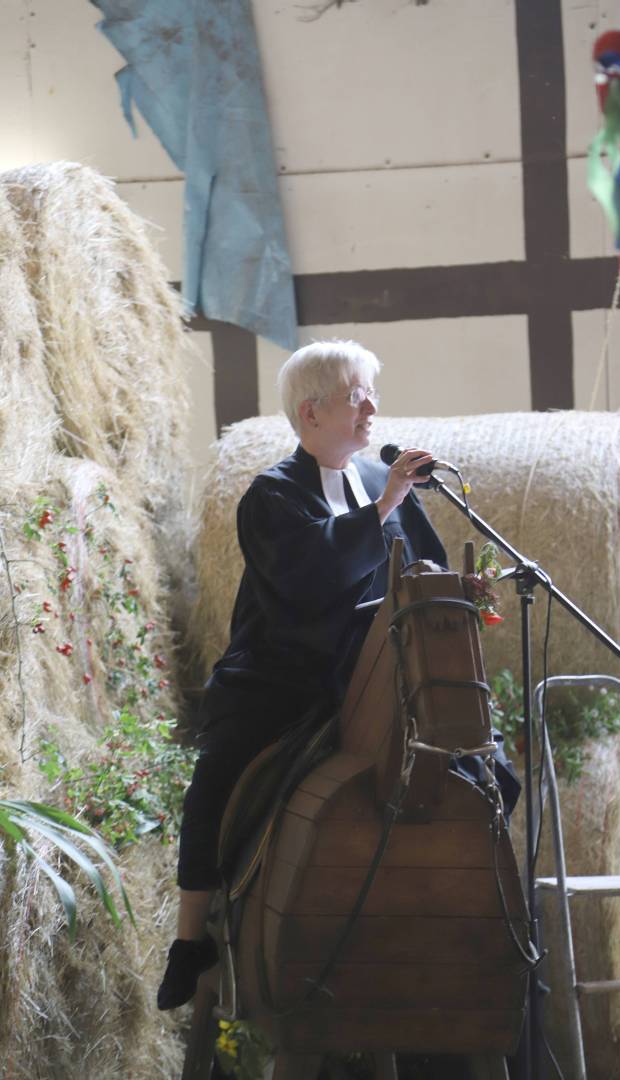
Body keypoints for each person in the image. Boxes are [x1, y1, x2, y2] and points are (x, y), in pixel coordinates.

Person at [157, 339, 447, 1009]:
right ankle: (190, 939)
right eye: (357, 397)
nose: (371, 409)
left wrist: (462, 589)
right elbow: (310, 579)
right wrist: (383, 508)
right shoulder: (272, 494)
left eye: (372, 395)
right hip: (281, 678)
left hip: (372, 677)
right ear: (311, 412)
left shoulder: (380, 481)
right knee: (216, 778)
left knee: (478, 760)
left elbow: (423, 567)